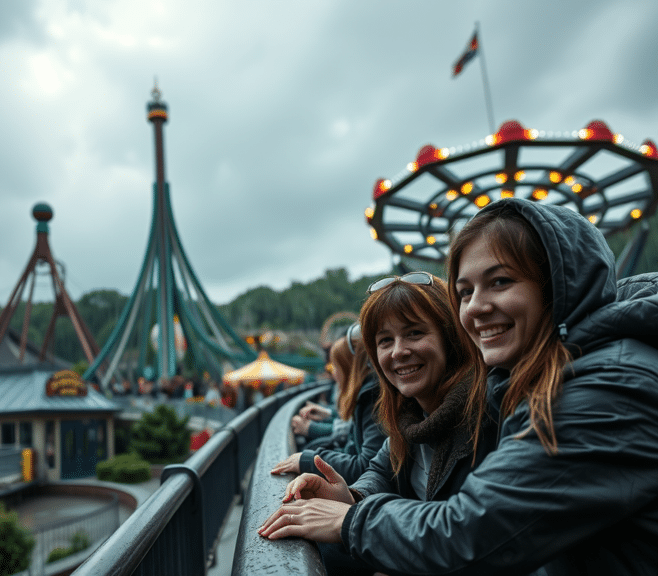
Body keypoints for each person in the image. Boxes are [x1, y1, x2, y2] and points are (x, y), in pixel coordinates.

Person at [261, 197, 658, 575]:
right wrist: (353, 499)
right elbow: (384, 467)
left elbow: (474, 531)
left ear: (558, 286)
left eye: (500, 281)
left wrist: (351, 519)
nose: (477, 307)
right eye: (465, 292)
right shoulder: (508, 383)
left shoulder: (603, 388)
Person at [261, 271, 494, 575]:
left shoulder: (488, 415)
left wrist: (350, 519)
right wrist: (350, 496)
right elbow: (380, 472)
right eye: (385, 341)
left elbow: (468, 530)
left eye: (414, 333)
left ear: (451, 338)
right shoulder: (408, 418)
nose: (398, 351)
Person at [270, 335, 385, 484]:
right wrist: (329, 414)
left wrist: (309, 458)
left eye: (334, 367)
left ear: (348, 368)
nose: (332, 373)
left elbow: (365, 466)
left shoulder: (371, 398)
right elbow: (351, 431)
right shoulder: (366, 395)